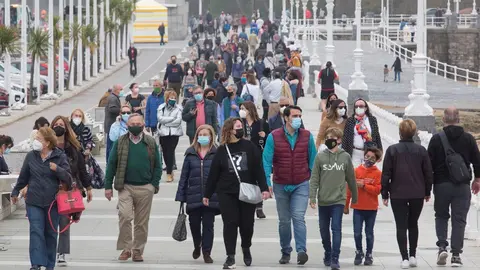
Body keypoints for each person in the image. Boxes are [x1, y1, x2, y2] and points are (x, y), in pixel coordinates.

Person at [203, 117, 270, 269]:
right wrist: (207, 194)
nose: (240, 129)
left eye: (241, 126)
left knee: (247, 225)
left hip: (247, 191)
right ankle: (230, 256)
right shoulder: (222, 150)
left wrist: (264, 188)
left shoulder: (249, 146)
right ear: (229, 130)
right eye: (237, 127)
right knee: (230, 223)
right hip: (227, 192)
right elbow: (214, 173)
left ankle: (246, 247)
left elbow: (258, 169)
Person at [11, 127, 72, 270]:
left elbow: (69, 179)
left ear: (48, 142)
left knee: (51, 233)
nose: (35, 141)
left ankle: (49, 265)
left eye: (39, 139)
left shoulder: (59, 156)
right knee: (36, 231)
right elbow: (24, 176)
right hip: (34, 201)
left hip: (53, 203)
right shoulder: (31, 156)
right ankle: (36, 264)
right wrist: (15, 192)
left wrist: (57, 169)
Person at [263, 105, 317, 265]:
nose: (297, 119)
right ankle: (285, 250)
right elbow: (266, 160)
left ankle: (301, 251)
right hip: (280, 184)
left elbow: (313, 159)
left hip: (301, 183)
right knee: (284, 221)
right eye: (294, 116)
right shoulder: (274, 136)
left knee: (298, 217)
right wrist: (267, 182)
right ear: (286, 118)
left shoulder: (307, 136)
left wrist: (313, 182)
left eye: (299, 115)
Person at [104, 114, 162, 262]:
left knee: (141, 223)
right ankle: (126, 248)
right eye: (132, 123)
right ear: (127, 125)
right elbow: (111, 164)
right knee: (124, 216)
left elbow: (158, 165)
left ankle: (137, 250)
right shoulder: (120, 142)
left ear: (143, 125)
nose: (135, 125)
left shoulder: (150, 142)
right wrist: (108, 186)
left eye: (138, 123)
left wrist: (153, 185)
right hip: (125, 186)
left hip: (145, 187)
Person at [427, 107, 480, 267]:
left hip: (441, 184)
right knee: (459, 220)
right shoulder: (468, 138)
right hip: (462, 185)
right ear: (458, 119)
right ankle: (456, 255)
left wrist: (427, 187)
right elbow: (477, 161)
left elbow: (428, 164)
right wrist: (477, 180)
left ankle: (442, 246)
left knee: (441, 216)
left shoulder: (436, 139)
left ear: (443, 119)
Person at [381, 119, 433, 269]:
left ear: (400, 132)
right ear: (414, 132)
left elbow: (386, 174)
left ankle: (404, 257)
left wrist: (384, 193)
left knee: (401, 225)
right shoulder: (421, 150)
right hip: (417, 192)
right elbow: (428, 173)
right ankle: (413, 255)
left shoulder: (392, 150)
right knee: (413, 224)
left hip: (398, 193)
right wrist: (427, 191)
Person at [310, 127, 357, 270]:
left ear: (340, 140)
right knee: (324, 230)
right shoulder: (320, 157)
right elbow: (314, 178)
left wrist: (354, 196)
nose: (332, 140)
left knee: (336, 228)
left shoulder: (345, 157)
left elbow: (351, 178)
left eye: (335, 138)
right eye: (330, 137)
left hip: (338, 199)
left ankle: (335, 258)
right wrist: (312, 197)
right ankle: (328, 252)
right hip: (323, 199)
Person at [175, 125, 220, 264]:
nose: (203, 137)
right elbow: (184, 176)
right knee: (194, 224)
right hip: (193, 195)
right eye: (201, 134)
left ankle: (207, 251)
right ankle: (197, 245)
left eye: (206, 134)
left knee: (208, 224)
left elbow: (221, 175)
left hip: (210, 196)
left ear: (211, 136)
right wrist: (181, 196)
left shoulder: (216, 153)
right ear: (196, 136)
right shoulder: (190, 153)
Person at [51, 116, 93, 265]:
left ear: (66, 127)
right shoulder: (46, 147)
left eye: (61, 124)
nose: (58, 126)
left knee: (64, 222)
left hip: (67, 189)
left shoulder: (73, 148)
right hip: (48, 189)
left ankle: (61, 253)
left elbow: (82, 169)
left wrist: (88, 187)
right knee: (49, 222)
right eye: (56, 124)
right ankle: (49, 250)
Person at [345, 147, 383, 266]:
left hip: (371, 208)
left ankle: (369, 254)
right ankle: (359, 251)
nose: (369, 159)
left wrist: (365, 186)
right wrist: (346, 204)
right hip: (358, 206)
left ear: (376, 160)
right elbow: (349, 189)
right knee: (357, 232)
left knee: (369, 233)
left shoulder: (378, 173)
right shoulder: (356, 171)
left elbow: (377, 190)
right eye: (367, 156)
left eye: (372, 158)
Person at [240, 101, 270, 219]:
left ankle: (259, 206)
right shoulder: (239, 123)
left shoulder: (261, 123)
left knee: (258, 181)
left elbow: (270, 140)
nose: (242, 110)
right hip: (242, 155)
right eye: (241, 108)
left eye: (244, 108)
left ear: (250, 110)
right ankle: (246, 204)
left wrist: (265, 136)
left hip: (258, 155)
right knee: (245, 180)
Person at [342, 98, 383, 167]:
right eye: (356, 106)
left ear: (366, 108)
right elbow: (345, 138)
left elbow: (377, 136)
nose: (358, 108)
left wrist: (380, 151)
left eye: (361, 106)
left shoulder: (372, 120)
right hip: (355, 153)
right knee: (355, 174)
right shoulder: (350, 121)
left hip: (369, 153)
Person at [157, 90, 183, 183]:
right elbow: (160, 119)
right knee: (164, 151)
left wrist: (166, 121)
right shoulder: (161, 107)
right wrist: (172, 120)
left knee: (170, 151)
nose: (172, 99)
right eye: (170, 97)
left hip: (174, 133)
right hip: (163, 133)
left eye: (174, 98)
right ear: (167, 98)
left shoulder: (179, 108)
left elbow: (178, 120)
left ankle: (168, 172)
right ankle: (169, 169)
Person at [104, 84, 123, 162]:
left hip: (112, 125)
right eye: (121, 89)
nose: (122, 91)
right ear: (116, 90)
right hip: (111, 126)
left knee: (111, 145)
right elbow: (112, 109)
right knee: (111, 145)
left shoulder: (114, 97)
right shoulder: (112, 98)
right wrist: (121, 110)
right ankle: (109, 162)